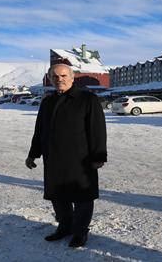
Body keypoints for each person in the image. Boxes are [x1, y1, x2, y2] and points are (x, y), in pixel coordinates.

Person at [26, 64, 107, 248]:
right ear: (50, 79)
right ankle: (65, 227)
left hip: (81, 160)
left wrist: (98, 155)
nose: (59, 79)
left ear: (72, 77)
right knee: (57, 196)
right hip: (53, 158)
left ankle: (80, 232)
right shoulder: (48, 101)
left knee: (82, 198)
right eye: (54, 76)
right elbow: (40, 130)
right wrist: (33, 154)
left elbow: (97, 129)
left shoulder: (87, 99)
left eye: (63, 75)